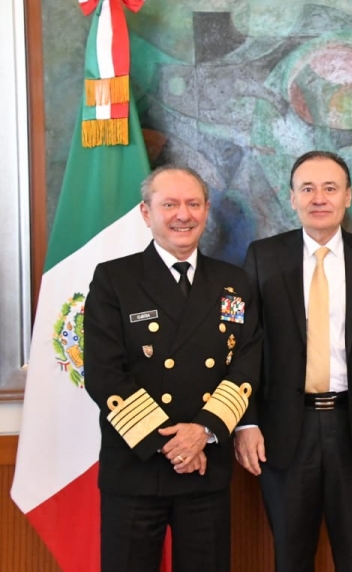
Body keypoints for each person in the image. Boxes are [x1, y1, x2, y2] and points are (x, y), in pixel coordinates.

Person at [84, 164, 262, 572]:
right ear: (147, 214)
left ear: (206, 210)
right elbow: (104, 373)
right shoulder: (115, 280)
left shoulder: (233, 282)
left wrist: (202, 432)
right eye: (169, 204)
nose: (183, 214)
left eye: (193, 203)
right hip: (136, 465)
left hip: (206, 467)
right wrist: (171, 443)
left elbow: (246, 364)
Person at [235, 151, 352, 572]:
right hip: (283, 431)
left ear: (347, 197)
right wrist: (247, 421)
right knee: (290, 557)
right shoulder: (263, 257)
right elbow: (244, 345)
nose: (319, 198)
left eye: (330, 188)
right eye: (307, 188)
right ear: (291, 198)